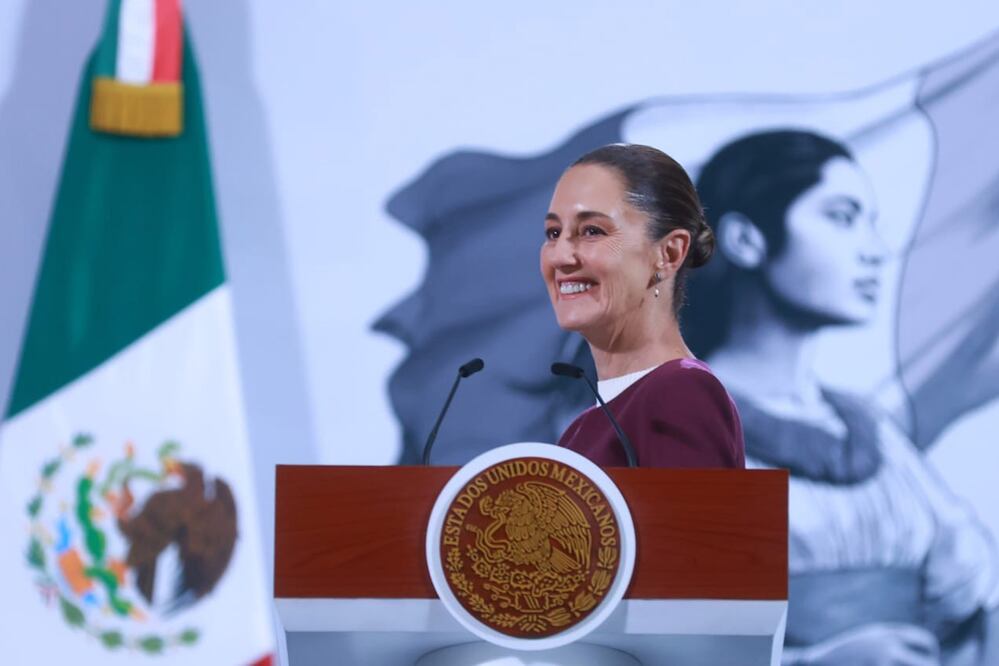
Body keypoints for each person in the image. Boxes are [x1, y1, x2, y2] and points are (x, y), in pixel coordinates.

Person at [686, 129, 999, 665]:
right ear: (745, 240)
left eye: (871, 223)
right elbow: (660, 645)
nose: (875, 251)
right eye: (842, 217)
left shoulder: (871, 431)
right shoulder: (678, 424)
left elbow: (971, 595)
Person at [540, 143, 745, 468]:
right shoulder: (581, 429)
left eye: (592, 231)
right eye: (553, 232)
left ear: (669, 253)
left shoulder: (681, 392)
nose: (560, 256)